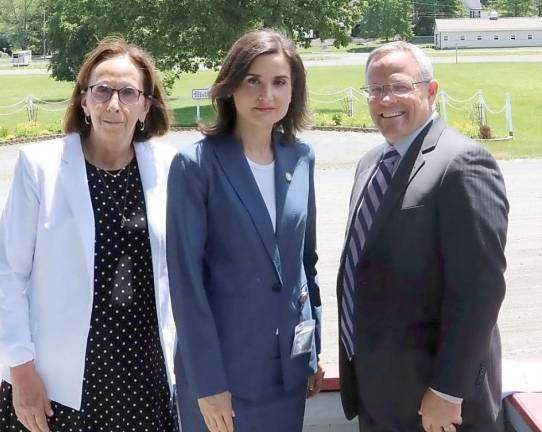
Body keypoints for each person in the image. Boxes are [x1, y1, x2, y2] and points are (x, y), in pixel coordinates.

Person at [0, 36, 179, 432]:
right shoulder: (39, 168)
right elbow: (10, 275)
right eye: (102, 90)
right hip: (60, 382)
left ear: (146, 106)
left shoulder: (171, 168)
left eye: (128, 93)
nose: (114, 104)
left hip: (144, 372)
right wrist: (21, 370)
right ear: (83, 100)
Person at [337, 41, 509, 432]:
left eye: (399, 86)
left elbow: (479, 291)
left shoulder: (463, 164)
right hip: (380, 396)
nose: (386, 99)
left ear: (430, 91)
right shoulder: (370, 164)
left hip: (435, 405)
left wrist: (448, 391)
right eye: (375, 90)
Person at [166, 29, 323, 432]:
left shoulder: (301, 157)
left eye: (279, 82)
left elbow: (305, 262)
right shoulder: (195, 166)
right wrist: (208, 382)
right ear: (231, 85)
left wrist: (313, 348)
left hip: (288, 375)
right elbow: (187, 283)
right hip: (224, 380)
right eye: (253, 80)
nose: (265, 95)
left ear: (294, 91)